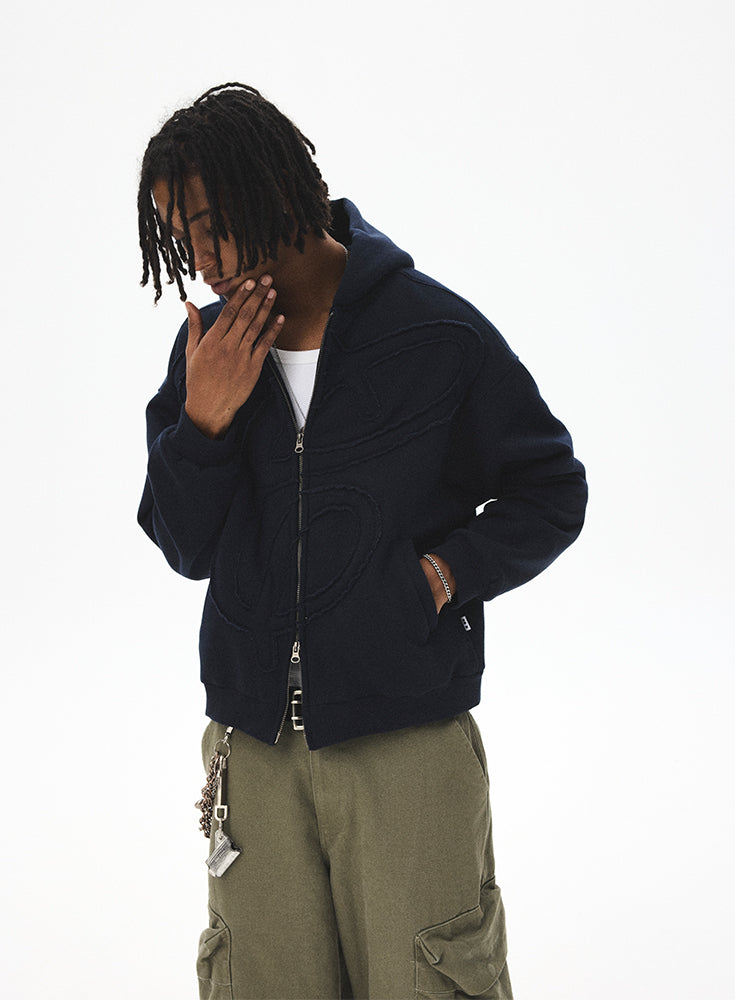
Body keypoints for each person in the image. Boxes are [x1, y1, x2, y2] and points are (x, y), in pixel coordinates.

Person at [137, 82, 587, 1000]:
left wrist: (442, 575)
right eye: (181, 239)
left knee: (432, 978)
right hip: (252, 750)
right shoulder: (208, 354)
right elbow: (184, 546)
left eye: (211, 226)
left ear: (277, 189)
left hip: (405, 742)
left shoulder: (434, 334)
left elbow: (551, 488)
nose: (201, 261)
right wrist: (204, 423)